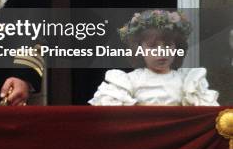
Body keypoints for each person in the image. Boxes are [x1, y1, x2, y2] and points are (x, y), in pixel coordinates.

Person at [89, 9, 219, 106]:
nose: (162, 52)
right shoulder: (129, 81)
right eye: (152, 47)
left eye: (168, 45)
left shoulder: (187, 82)